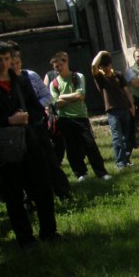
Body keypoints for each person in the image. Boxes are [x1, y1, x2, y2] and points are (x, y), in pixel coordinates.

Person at [0, 41, 59, 248]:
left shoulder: (21, 82)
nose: (3, 63)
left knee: (43, 186)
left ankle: (49, 232)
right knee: (13, 194)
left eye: (7, 59)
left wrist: (27, 115)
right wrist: (8, 120)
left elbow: (36, 108)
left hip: (28, 139)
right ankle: (25, 238)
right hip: (3, 146)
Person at [10, 48, 72, 200]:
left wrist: (34, 108)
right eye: (12, 64)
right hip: (16, 129)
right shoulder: (3, 82)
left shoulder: (29, 76)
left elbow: (47, 96)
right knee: (25, 164)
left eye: (17, 63)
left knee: (49, 159)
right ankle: (30, 197)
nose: (15, 66)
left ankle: (63, 192)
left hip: (36, 124)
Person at [48, 51, 111, 181]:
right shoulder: (53, 83)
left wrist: (62, 97)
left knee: (90, 145)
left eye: (60, 65)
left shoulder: (78, 76)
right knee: (72, 148)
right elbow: (55, 103)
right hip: (64, 119)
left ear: (66, 62)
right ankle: (81, 173)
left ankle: (101, 172)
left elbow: (80, 95)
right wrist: (71, 97)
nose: (58, 68)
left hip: (80, 117)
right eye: (56, 67)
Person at [91, 51, 136, 170]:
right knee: (117, 137)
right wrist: (101, 53)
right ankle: (120, 163)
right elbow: (93, 66)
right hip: (112, 110)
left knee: (126, 137)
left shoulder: (118, 75)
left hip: (125, 108)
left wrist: (131, 105)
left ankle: (126, 160)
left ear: (111, 64)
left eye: (107, 65)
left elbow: (126, 90)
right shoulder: (100, 77)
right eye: (103, 66)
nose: (106, 68)